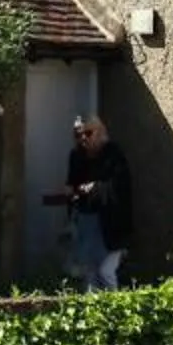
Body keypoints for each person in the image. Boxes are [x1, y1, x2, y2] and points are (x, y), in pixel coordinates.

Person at [48, 112, 133, 289]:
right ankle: (93, 310)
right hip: (86, 219)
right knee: (89, 272)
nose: (83, 138)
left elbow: (120, 187)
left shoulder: (113, 153)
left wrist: (94, 187)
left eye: (88, 133)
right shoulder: (76, 156)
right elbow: (72, 185)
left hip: (110, 222)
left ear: (100, 132)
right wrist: (71, 192)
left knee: (105, 270)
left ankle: (115, 308)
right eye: (78, 134)